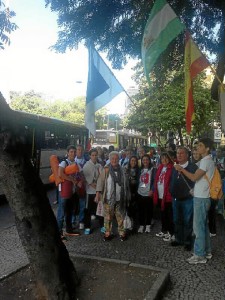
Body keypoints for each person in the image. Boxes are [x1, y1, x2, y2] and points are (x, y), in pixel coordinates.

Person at [174, 138, 215, 264]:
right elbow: (200, 180)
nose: (198, 148)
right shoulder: (206, 161)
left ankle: (199, 255)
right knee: (203, 226)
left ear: (207, 148)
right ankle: (206, 251)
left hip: (201, 198)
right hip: (202, 196)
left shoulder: (206, 161)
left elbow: (194, 177)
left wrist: (181, 169)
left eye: (201, 145)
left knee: (198, 228)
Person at [170, 146, 198, 251]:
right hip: (176, 198)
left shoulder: (192, 167)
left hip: (187, 199)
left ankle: (187, 241)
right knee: (177, 220)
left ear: (187, 155)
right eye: (177, 153)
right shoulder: (174, 166)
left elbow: (196, 181)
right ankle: (178, 239)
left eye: (181, 153)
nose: (179, 155)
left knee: (188, 221)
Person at [95, 151, 127, 241]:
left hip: (120, 198)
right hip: (108, 198)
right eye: (112, 158)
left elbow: (126, 184)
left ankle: (122, 232)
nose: (114, 160)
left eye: (116, 158)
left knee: (120, 216)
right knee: (108, 217)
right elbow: (100, 182)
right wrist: (97, 194)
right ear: (109, 159)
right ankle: (108, 233)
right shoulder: (106, 169)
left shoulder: (123, 169)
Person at [57, 145, 80, 238]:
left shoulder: (75, 162)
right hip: (64, 192)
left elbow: (77, 175)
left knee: (69, 211)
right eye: (71, 152)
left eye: (74, 152)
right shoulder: (64, 162)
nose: (73, 153)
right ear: (67, 152)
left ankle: (68, 230)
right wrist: (71, 180)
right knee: (61, 212)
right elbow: (60, 174)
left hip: (72, 191)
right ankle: (59, 232)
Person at [83, 148, 104, 235]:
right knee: (88, 210)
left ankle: (102, 225)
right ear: (90, 156)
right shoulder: (86, 166)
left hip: (99, 191)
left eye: (96, 155)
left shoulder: (99, 165)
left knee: (100, 209)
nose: (94, 157)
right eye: (93, 155)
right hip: (90, 191)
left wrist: (99, 189)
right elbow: (90, 182)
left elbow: (102, 178)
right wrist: (98, 188)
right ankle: (87, 226)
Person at [153, 152, 174, 241]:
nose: (164, 160)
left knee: (169, 215)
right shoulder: (160, 167)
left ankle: (171, 232)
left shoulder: (172, 168)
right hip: (160, 195)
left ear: (169, 159)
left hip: (167, 196)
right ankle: (164, 230)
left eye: (166, 158)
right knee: (163, 214)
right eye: (162, 158)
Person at [137, 154, 154, 233]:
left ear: (149, 160)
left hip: (149, 193)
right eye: (143, 160)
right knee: (141, 210)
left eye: (147, 159)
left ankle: (148, 225)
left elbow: (155, 181)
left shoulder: (153, 170)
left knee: (149, 210)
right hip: (140, 192)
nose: (145, 161)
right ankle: (141, 225)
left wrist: (152, 190)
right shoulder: (139, 170)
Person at [124, 155, 140, 233]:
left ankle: (134, 226)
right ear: (129, 161)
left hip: (136, 192)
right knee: (128, 209)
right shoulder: (126, 169)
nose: (133, 162)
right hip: (128, 192)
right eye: (132, 160)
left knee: (135, 210)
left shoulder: (139, 170)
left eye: (135, 161)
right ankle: (128, 225)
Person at [74, 144, 87, 230]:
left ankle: (81, 221)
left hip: (83, 187)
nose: (80, 151)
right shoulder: (71, 162)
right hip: (73, 187)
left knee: (82, 204)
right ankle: (73, 220)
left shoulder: (86, 162)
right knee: (73, 205)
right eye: (78, 150)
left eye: (81, 150)